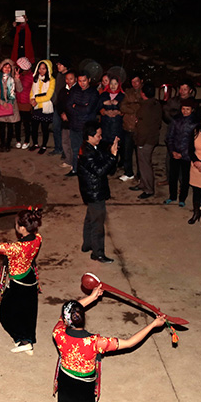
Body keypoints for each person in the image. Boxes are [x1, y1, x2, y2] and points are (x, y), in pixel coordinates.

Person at [53, 285, 165, 402]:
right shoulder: (96, 342)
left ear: (66, 319)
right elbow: (129, 343)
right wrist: (153, 325)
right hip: (84, 388)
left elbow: (67, 314)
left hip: (66, 384)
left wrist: (91, 297)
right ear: (83, 317)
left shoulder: (58, 333)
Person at [0, 209, 43, 354]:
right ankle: (27, 340)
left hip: (18, 283)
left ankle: (23, 341)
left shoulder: (16, 248)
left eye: (17, 223)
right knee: (28, 312)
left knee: (6, 314)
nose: (15, 225)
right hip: (30, 278)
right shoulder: (38, 238)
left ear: (22, 228)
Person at [77, 121, 120, 263]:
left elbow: (103, 161)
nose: (100, 138)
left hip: (92, 191)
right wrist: (112, 156)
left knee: (90, 218)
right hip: (94, 192)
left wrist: (112, 152)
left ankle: (87, 244)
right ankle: (98, 253)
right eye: (98, 135)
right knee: (98, 224)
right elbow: (100, 170)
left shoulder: (91, 148)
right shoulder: (87, 153)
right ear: (90, 136)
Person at [65, 72, 99, 176]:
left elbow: (89, 109)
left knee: (87, 150)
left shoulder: (93, 92)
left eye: (84, 81)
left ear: (89, 80)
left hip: (86, 126)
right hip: (74, 124)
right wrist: (81, 107)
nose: (82, 83)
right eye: (79, 81)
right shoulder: (74, 90)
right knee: (75, 148)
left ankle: (87, 171)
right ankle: (75, 169)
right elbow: (68, 106)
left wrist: (76, 106)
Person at [164, 99, 197, 207]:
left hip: (187, 155)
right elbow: (170, 137)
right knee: (173, 176)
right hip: (175, 153)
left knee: (185, 178)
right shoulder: (175, 120)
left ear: (192, 110)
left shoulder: (195, 123)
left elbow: (195, 142)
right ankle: (172, 196)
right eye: (183, 109)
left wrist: (184, 154)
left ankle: (182, 198)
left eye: (188, 109)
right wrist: (172, 151)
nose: (185, 111)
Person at [133, 82, 161, 200]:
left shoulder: (145, 108)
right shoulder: (155, 104)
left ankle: (148, 189)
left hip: (145, 140)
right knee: (144, 164)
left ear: (143, 93)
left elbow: (143, 129)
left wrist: (139, 142)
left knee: (145, 165)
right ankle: (143, 183)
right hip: (152, 138)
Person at [118, 75, 143, 182]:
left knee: (140, 154)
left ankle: (141, 174)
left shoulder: (144, 92)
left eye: (136, 81)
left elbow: (143, 107)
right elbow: (122, 106)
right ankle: (128, 172)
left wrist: (131, 105)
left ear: (141, 81)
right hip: (128, 125)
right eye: (133, 82)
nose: (135, 84)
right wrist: (135, 107)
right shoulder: (128, 92)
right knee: (127, 151)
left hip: (140, 127)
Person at [0, 59, 22, 152]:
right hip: (1, 104)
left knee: (10, 126)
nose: (7, 69)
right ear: (1, 68)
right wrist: (2, 102)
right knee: (2, 127)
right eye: (5, 67)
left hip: (12, 105)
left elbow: (20, 90)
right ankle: (2, 144)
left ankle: (8, 145)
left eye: (9, 67)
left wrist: (17, 79)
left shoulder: (13, 79)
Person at [28, 59, 55, 153]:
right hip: (36, 107)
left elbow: (49, 96)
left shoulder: (52, 80)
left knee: (44, 128)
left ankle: (44, 146)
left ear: (48, 69)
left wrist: (36, 100)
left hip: (45, 107)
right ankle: (35, 143)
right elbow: (32, 91)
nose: (41, 71)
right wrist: (31, 99)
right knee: (34, 128)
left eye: (44, 68)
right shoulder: (36, 78)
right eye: (40, 68)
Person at [97, 75, 125, 148]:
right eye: (111, 83)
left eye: (115, 84)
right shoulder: (104, 94)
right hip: (105, 126)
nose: (113, 86)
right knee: (104, 147)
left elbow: (125, 108)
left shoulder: (122, 96)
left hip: (117, 127)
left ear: (119, 85)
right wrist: (104, 109)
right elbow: (98, 107)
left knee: (115, 148)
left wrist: (118, 110)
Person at [15, 57, 34, 148]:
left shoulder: (31, 76)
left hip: (26, 103)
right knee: (17, 123)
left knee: (26, 123)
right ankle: (18, 140)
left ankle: (27, 141)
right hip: (18, 102)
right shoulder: (19, 75)